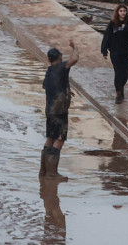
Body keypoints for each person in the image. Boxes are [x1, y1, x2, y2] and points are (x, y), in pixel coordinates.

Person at [40, 41, 80, 179]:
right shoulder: (62, 67)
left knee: (50, 137)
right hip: (60, 111)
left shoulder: (49, 71)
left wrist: (66, 90)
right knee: (60, 139)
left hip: (49, 110)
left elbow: (46, 86)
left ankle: (43, 170)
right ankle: (52, 173)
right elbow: (74, 59)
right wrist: (75, 47)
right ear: (59, 58)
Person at [101, 4, 128, 104]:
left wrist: (127, 28)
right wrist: (104, 50)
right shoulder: (112, 23)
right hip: (115, 52)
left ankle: (121, 87)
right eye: (121, 11)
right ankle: (119, 93)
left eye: (124, 11)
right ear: (117, 12)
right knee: (118, 72)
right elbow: (107, 36)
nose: (123, 13)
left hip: (126, 52)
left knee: (125, 74)